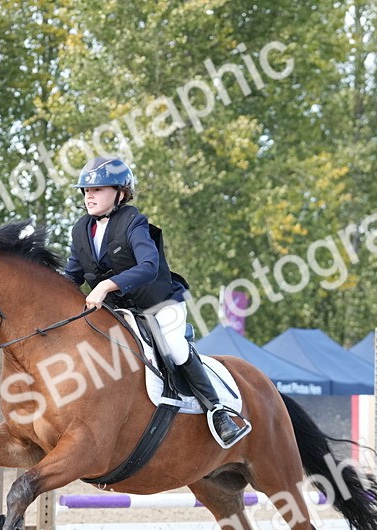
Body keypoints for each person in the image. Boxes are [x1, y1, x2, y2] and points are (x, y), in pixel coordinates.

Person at [64, 155, 251, 448]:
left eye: (98, 189)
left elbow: (149, 266)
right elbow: (71, 276)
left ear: (120, 192)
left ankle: (219, 411)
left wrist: (105, 286)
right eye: (87, 190)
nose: (90, 195)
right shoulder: (80, 230)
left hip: (159, 304)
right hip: (120, 312)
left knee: (174, 348)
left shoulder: (133, 221)